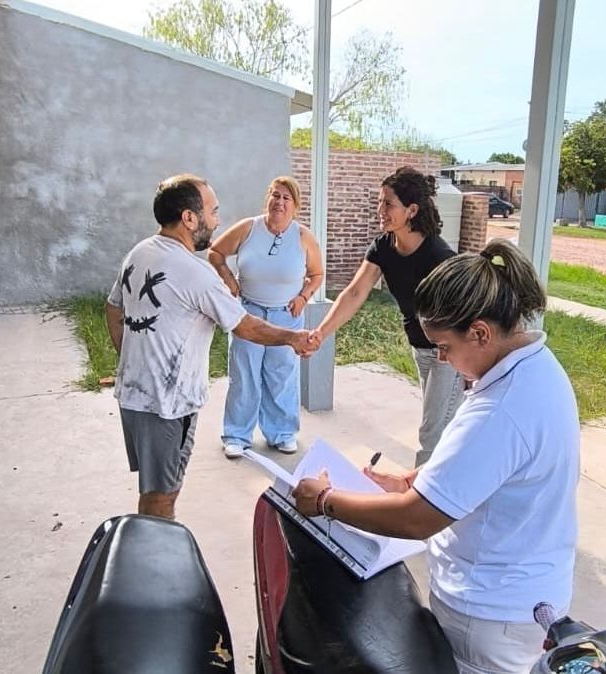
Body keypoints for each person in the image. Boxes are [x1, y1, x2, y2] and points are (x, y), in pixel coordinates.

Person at [293, 239, 580, 674]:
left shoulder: (500, 409)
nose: (441, 359)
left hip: (490, 612)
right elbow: (503, 467)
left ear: (480, 332)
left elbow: (417, 520)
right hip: (524, 589)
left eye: (444, 346)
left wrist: (325, 501)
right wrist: (419, 479)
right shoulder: (536, 365)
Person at [105, 174, 315, 520]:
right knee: (161, 499)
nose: (217, 221)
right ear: (189, 218)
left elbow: (113, 308)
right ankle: (157, 563)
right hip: (166, 406)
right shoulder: (195, 272)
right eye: (212, 212)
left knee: (155, 488)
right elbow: (245, 325)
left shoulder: (139, 252)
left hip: (134, 397)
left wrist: (129, 358)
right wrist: (293, 338)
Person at [311, 166, 464, 466]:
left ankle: (421, 501)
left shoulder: (438, 256)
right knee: (443, 426)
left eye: (388, 204)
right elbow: (355, 293)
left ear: (412, 210)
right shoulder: (383, 247)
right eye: (380, 202)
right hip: (420, 348)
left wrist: (454, 359)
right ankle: (444, 489)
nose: (380, 210)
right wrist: (321, 332)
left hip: (448, 351)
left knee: (432, 433)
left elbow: (460, 314)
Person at [207, 177, 324, 458]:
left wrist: (303, 297)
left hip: (287, 315)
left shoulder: (303, 236)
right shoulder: (249, 228)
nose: (279, 202)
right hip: (248, 314)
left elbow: (317, 274)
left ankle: (282, 433)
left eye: (286, 198)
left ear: (295, 205)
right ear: (267, 199)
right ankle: (237, 435)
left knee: (281, 375)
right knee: (244, 375)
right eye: (275, 195)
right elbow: (215, 252)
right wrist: (229, 281)